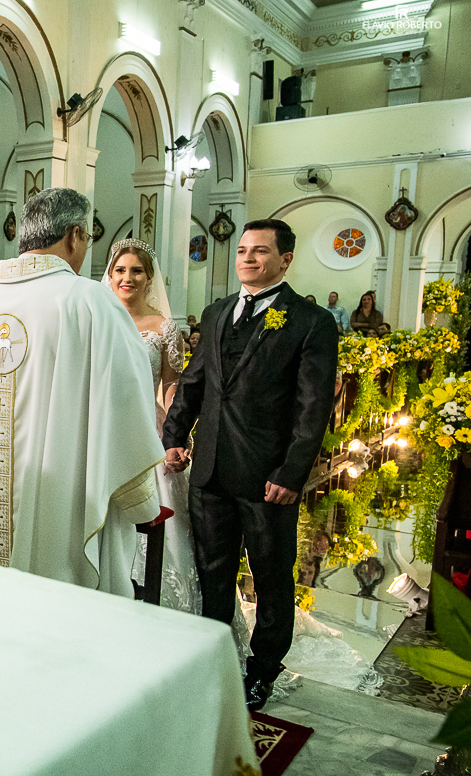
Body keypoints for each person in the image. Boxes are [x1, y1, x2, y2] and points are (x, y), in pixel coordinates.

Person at [0, 188, 164, 597]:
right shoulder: (92, 303)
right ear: (74, 235)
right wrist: (141, 502)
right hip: (61, 499)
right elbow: (127, 402)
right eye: (87, 238)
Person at [163, 218, 339, 711]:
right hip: (211, 470)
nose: (247, 258)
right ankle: (216, 661)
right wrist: (174, 437)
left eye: (260, 251)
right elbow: (195, 383)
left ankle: (263, 672)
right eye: (242, 250)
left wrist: (291, 473)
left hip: (267, 478)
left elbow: (312, 407)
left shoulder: (310, 322)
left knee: (271, 579)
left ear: (285, 259)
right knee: (212, 574)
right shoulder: (217, 312)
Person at [102, 239, 199, 610]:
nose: (127, 278)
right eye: (120, 270)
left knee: (160, 524)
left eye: (136, 270)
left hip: (147, 430)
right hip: (102, 431)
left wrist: (174, 436)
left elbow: (173, 386)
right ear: (109, 276)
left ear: (149, 277)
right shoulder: (97, 316)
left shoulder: (163, 327)